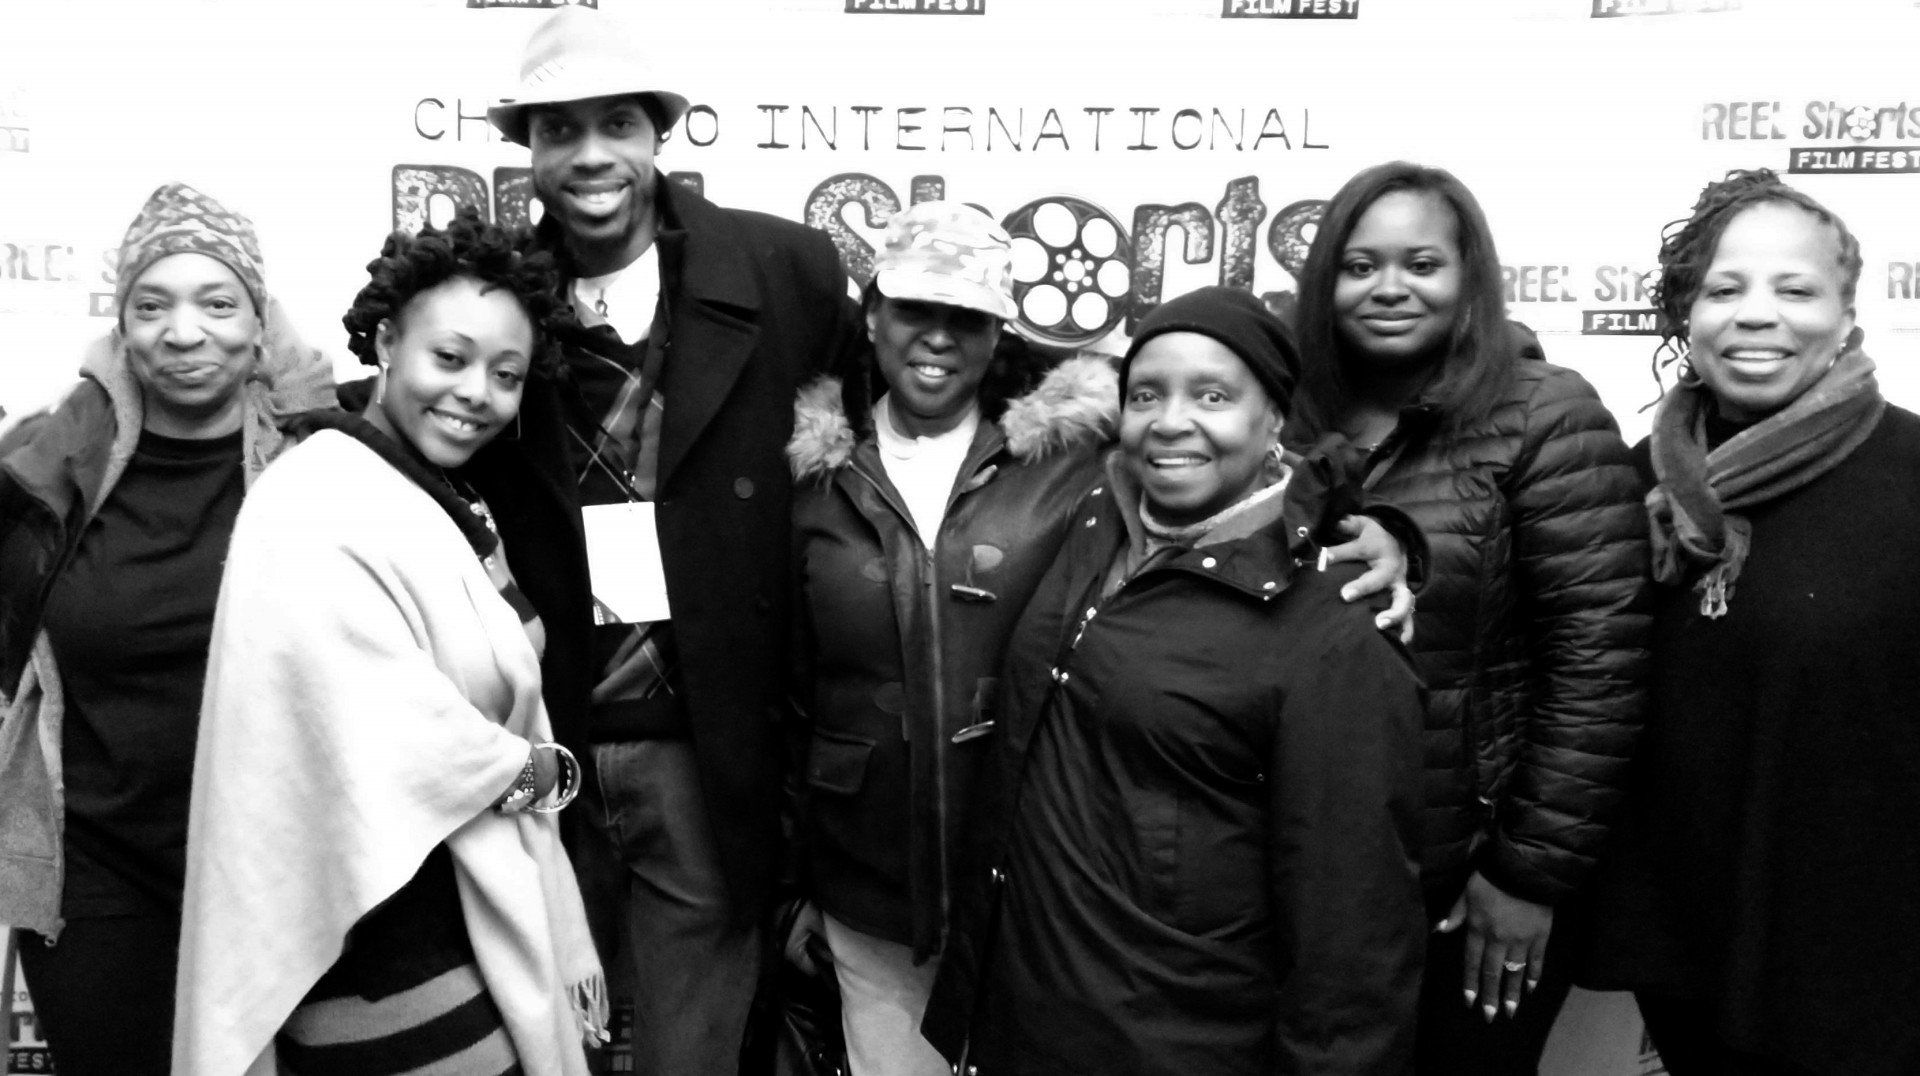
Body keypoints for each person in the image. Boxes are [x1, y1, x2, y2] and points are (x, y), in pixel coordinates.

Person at [791, 207, 1422, 1074]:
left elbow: (1350, 917)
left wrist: (1380, 532)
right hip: (905, 900)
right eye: (913, 309)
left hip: (1112, 961)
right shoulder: (820, 476)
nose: (1170, 421)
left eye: (968, 315)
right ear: (871, 314)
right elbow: (770, 676)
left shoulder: (1072, 468)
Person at [483, 10, 869, 1070]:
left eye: (617, 122)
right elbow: (405, 425)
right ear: (530, 150)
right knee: (541, 1028)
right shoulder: (494, 290)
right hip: (543, 739)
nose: (592, 155)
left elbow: (899, 432)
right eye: (561, 130)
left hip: (705, 742)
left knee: (690, 1043)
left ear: (660, 131)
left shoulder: (785, 269)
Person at [172, 209, 606, 1076]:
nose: (476, 392)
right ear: (384, 341)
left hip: (462, 927)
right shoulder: (317, 496)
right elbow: (396, 742)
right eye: (449, 358)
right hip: (380, 953)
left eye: (507, 374)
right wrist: (545, 774)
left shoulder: (443, 495)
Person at [1283, 161, 1650, 1074]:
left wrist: (1526, 874)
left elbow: (1598, 668)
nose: (1390, 287)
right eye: (1360, 266)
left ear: (1470, 277)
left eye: (1422, 264)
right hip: (1306, 867)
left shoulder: (1545, 414)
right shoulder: (1275, 414)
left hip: (1468, 879)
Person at [1580, 170, 1920, 1076]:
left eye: (1795, 289)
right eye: (1724, 290)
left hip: (1867, 969)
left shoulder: (1915, 476)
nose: (1756, 314)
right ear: (1687, 318)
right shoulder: (1631, 485)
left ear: (1849, 315)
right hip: (1683, 947)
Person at [0, 182, 334, 1075]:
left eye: (216, 303)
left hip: (282, 865)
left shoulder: (323, 461)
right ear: (122, 326)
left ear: (260, 320)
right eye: (152, 305)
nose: (183, 332)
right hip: (100, 871)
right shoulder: (47, 468)